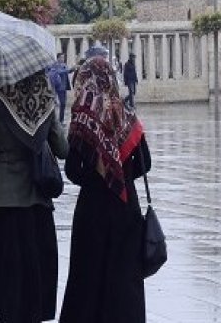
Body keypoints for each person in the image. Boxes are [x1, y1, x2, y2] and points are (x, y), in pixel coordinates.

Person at [60, 57, 152, 322]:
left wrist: (98, 175)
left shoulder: (82, 119)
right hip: (126, 209)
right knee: (124, 277)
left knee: (88, 276)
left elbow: (73, 171)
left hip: (93, 210)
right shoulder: (127, 116)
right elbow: (146, 163)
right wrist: (121, 176)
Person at [0, 73, 67, 323]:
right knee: (35, 264)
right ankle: (34, 314)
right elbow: (63, 149)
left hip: (2, 197)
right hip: (36, 196)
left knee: (6, 262)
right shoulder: (45, 102)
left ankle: (6, 314)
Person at [48, 53, 71, 123]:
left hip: (63, 87)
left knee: (63, 104)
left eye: (63, 57)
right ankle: (53, 120)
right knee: (54, 103)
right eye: (61, 57)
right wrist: (68, 70)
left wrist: (72, 69)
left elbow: (67, 71)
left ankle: (61, 120)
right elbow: (59, 71)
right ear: (58, 58)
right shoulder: (55, 65)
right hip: (56, 86)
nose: (63, 59)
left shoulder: (64, 65)